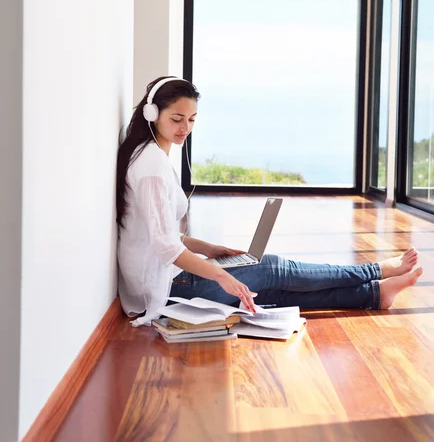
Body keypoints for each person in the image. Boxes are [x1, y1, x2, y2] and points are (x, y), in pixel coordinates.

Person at [116, 76, 422, 327]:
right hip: (164, 289)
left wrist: (212, 250)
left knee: (266, 289)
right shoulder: (151, 168)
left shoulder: (152, 156)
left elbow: (163, 233)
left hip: (166, 279)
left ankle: (374, 294)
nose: (185, 128)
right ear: (152, 114)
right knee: (272, 269)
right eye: (177, 119)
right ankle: (376, 271)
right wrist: (223, 276)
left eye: (192, 119)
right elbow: (166, 246)